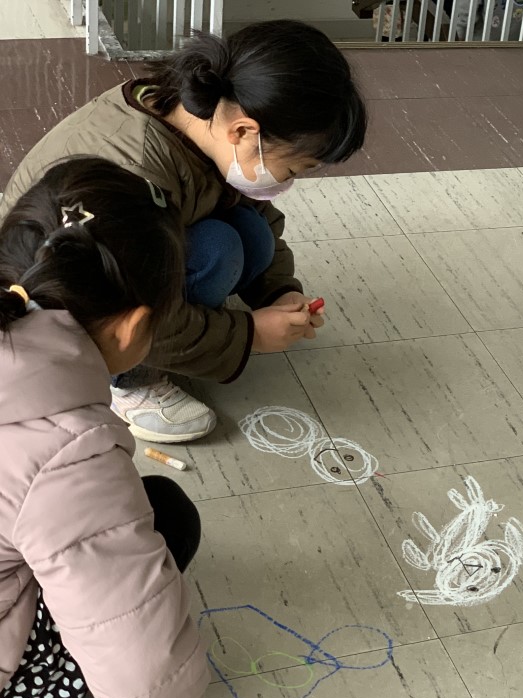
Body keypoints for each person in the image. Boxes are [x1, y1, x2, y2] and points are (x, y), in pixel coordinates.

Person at [0, 20, 368, 445]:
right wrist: (249, 335)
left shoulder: (201, 115)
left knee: (252, 232)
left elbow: (254, 206)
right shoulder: (137, 167)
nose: (289, 181)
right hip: (68, 297)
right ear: (244, 131)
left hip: (122, 250)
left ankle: (182, 332)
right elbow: (123, 304)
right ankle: (127, 379)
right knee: (218, 251)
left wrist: (277, 291)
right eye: (294, 169)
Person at [0, 158, 209, 698]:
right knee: (168, 519)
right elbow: (151, 692)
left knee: (147, 515)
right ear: (135, 326)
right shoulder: (66, 451)